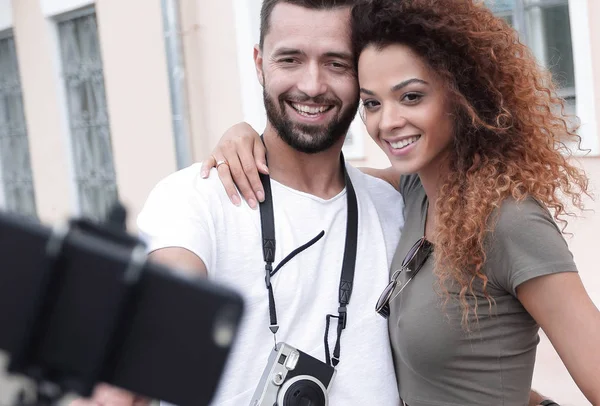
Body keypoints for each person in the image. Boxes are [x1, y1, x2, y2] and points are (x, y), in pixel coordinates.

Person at [202, 0, 600, 405]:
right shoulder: (415, 193)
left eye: (410, 97)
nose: (387, 122)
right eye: (372, 103)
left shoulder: (509, 221)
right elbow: (315, 177)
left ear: (461, 94)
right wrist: (245, 137)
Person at [73, 0, 404, 405]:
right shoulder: (195, 198)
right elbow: (143, 354)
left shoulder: (391, 204)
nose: (313, 85)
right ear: (259, 63)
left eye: (336, 63)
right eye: (290, 59)